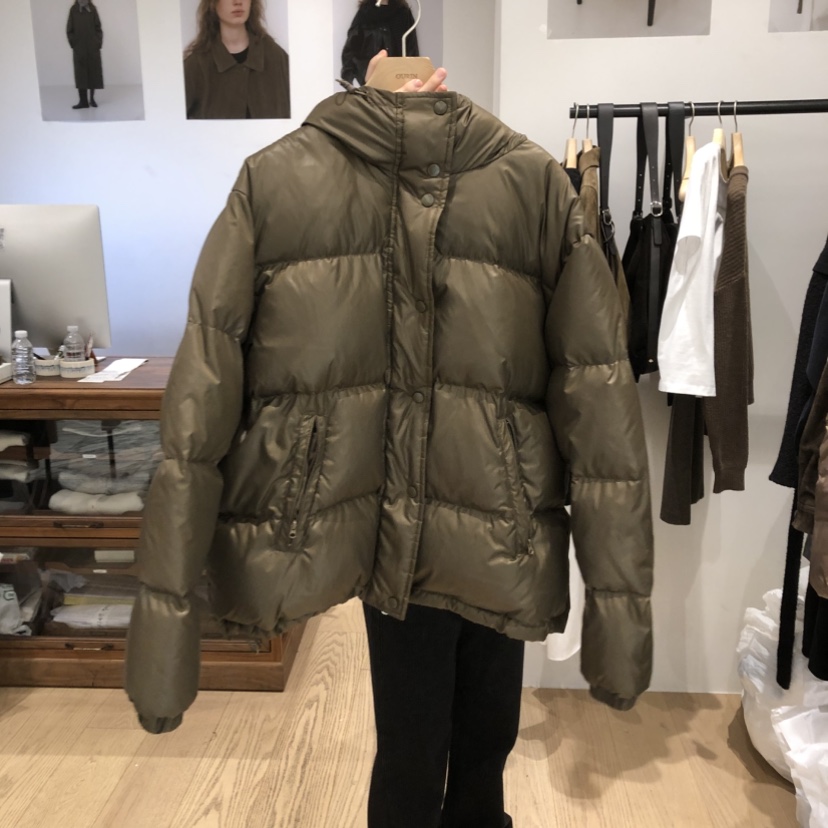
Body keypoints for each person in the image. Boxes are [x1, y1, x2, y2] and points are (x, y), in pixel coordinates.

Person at [125, 53, 654, 828]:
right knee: (456, 751)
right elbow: (602, 413)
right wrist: (620, 618)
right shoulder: (280, 182)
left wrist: (163, 633)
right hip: (479, 518)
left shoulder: (532, 186)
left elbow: (596, 396)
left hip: (473, 518)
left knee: (446, 750)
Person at [183, 0, 290, 120]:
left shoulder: (276, 56)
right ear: (213, 4)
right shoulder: (196, 65)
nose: (238, 2)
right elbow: (173, 121)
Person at [341, 0, 419, 86]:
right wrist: (348, 79)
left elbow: (412, 48)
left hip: (397, 79)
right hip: (370, 79)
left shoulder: (403, 13)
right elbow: (351, 49)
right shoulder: (364, 13)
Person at [66, 0, 103, 110]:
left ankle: (92, 99)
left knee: (93, 72)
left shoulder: (92, 9)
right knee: (80, 74)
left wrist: (98, 43)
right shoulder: (73, 10)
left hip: (92, 48)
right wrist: (74, 44)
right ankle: (83, 101)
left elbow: (98, 28)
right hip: (79, 48)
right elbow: (69, 29)